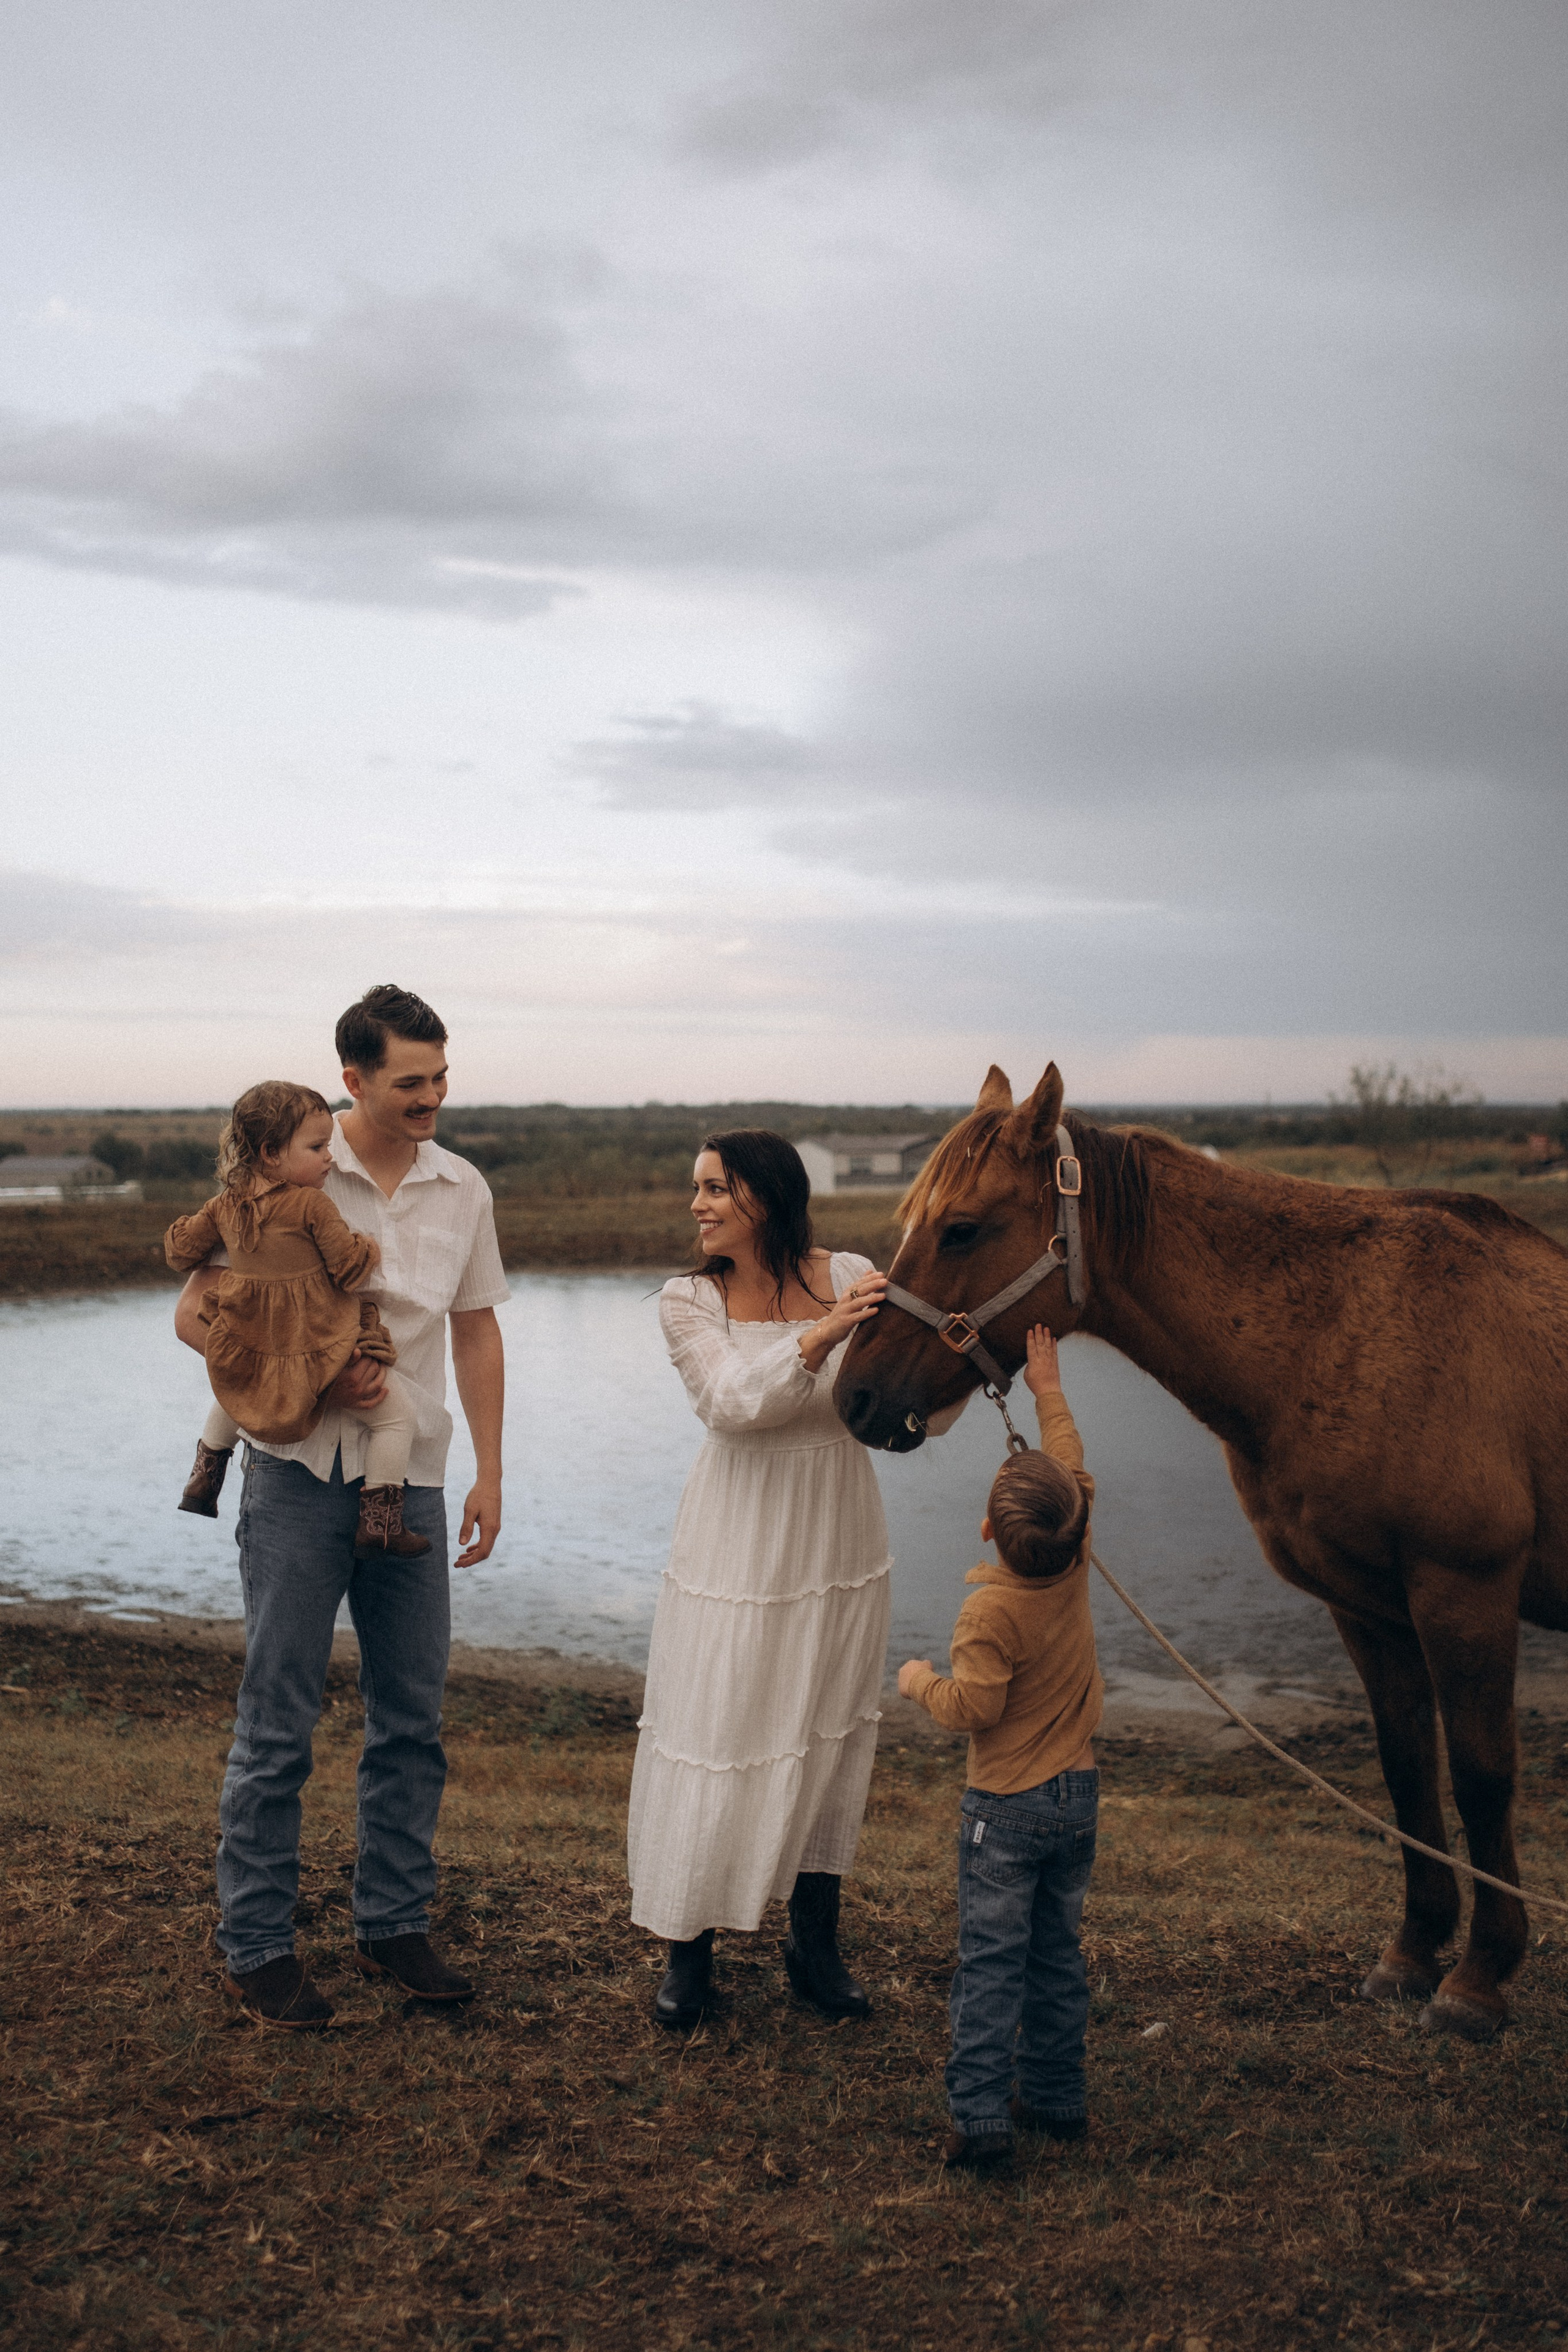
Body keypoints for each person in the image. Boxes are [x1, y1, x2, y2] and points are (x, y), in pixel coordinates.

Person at [172, 985, 509, 2030]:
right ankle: (258, 1943)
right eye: (411, 1081)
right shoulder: (286, 1174)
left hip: (412, 1476)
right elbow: (196, 1312)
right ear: (353, 1078)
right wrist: (304, 1380)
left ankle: (393, 1925)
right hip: (294, 1477)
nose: (433, 1097)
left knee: (414, 1720)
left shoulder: (463, 1187)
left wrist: (490, 1474)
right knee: (279, 1723)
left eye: (441, 1077)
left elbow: (477, 1332)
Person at [627, 1129, 892, 2028]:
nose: (697, 1205)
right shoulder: (686, 1301)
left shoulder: (849, 1269)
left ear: (768, 1197)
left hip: (838, 1524)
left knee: (826, 1723)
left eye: (715, 1189)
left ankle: (814, 1948)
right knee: (719, 1721)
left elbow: (889, 1387)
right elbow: (735, 1406)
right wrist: (820, 1336)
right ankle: (687, 1952)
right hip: (738, 1535)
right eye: (696, 1188)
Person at [897, 1324, 1102, 2171]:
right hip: (1076, 1802)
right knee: (1056, 1956)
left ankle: (981, 2124)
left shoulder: (987, 1615)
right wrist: (1048, 1386)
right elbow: (1069, 1457)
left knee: (988, 1968)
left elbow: (972, 1710)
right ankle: (1056, 2097)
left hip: (1005, 1815)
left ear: (985, 1529)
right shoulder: (1079, 1545)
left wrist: (916, 1682)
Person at [166, 1080, 429, 1560]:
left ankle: (204, 1480)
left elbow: (182, 1251)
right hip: (309, 1336)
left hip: (252, 1338)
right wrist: (367, 1245)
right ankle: (382, 1520)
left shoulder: (226, 1205)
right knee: (397, 1417)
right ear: (270, 1153)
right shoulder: (311, 1204)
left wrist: (187, 1229)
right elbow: (347, 1267)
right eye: (317, 1147)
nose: (330, 1157)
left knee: (238, 1386)